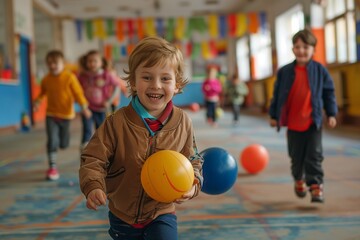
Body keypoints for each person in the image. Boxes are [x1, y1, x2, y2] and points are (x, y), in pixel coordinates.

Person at [79, 36, 204, 239]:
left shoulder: (182, 122)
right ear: (133, 83)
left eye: (165, 78)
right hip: (123, 214)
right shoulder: (116, 122)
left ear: (177, 85)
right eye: (147, 77)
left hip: (162, 211)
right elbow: (93, 158)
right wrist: (93, 185)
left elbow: (193, 160)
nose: (156, 85)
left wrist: (193, 184)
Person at [269, 29, 338, 203]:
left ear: (313, 49)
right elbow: (277, 95)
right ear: (292, 49)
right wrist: (274, 115)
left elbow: (328, 93)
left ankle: (315, 186)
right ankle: (298, 178)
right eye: (297, 47)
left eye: (305, 47)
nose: (301, 50)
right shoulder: (285, 71)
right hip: (292, 124)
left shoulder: (319, 70)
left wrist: (331, 113)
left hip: (312, 122)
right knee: (296, 156)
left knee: (314, 155)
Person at [33, 50, 92, 181]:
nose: (52, 66)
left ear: (62, 63)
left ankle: (61, 143)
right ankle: (52, 167)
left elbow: (78, 93)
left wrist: (84, 108)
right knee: (52, 140)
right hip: (51, 114)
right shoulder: (46, 79)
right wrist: (37, 102)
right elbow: (42, 93)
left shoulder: (69, 77)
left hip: (66, 115)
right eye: (49, 63)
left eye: (55, 63)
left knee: (64, 144)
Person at [78, 50, 120, 149]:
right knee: (87, 129)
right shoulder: (83, 76)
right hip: (87, 108)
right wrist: (81, 104)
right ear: (86, 63)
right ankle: (84, 147)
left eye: (95, 61)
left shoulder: (106, 75)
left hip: (101, 109)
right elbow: (76, 89)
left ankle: (101, 149)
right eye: (89, 61)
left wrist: (109, 101)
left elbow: (116, 86)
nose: (92, 63)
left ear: (101, 62)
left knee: (101, 130)